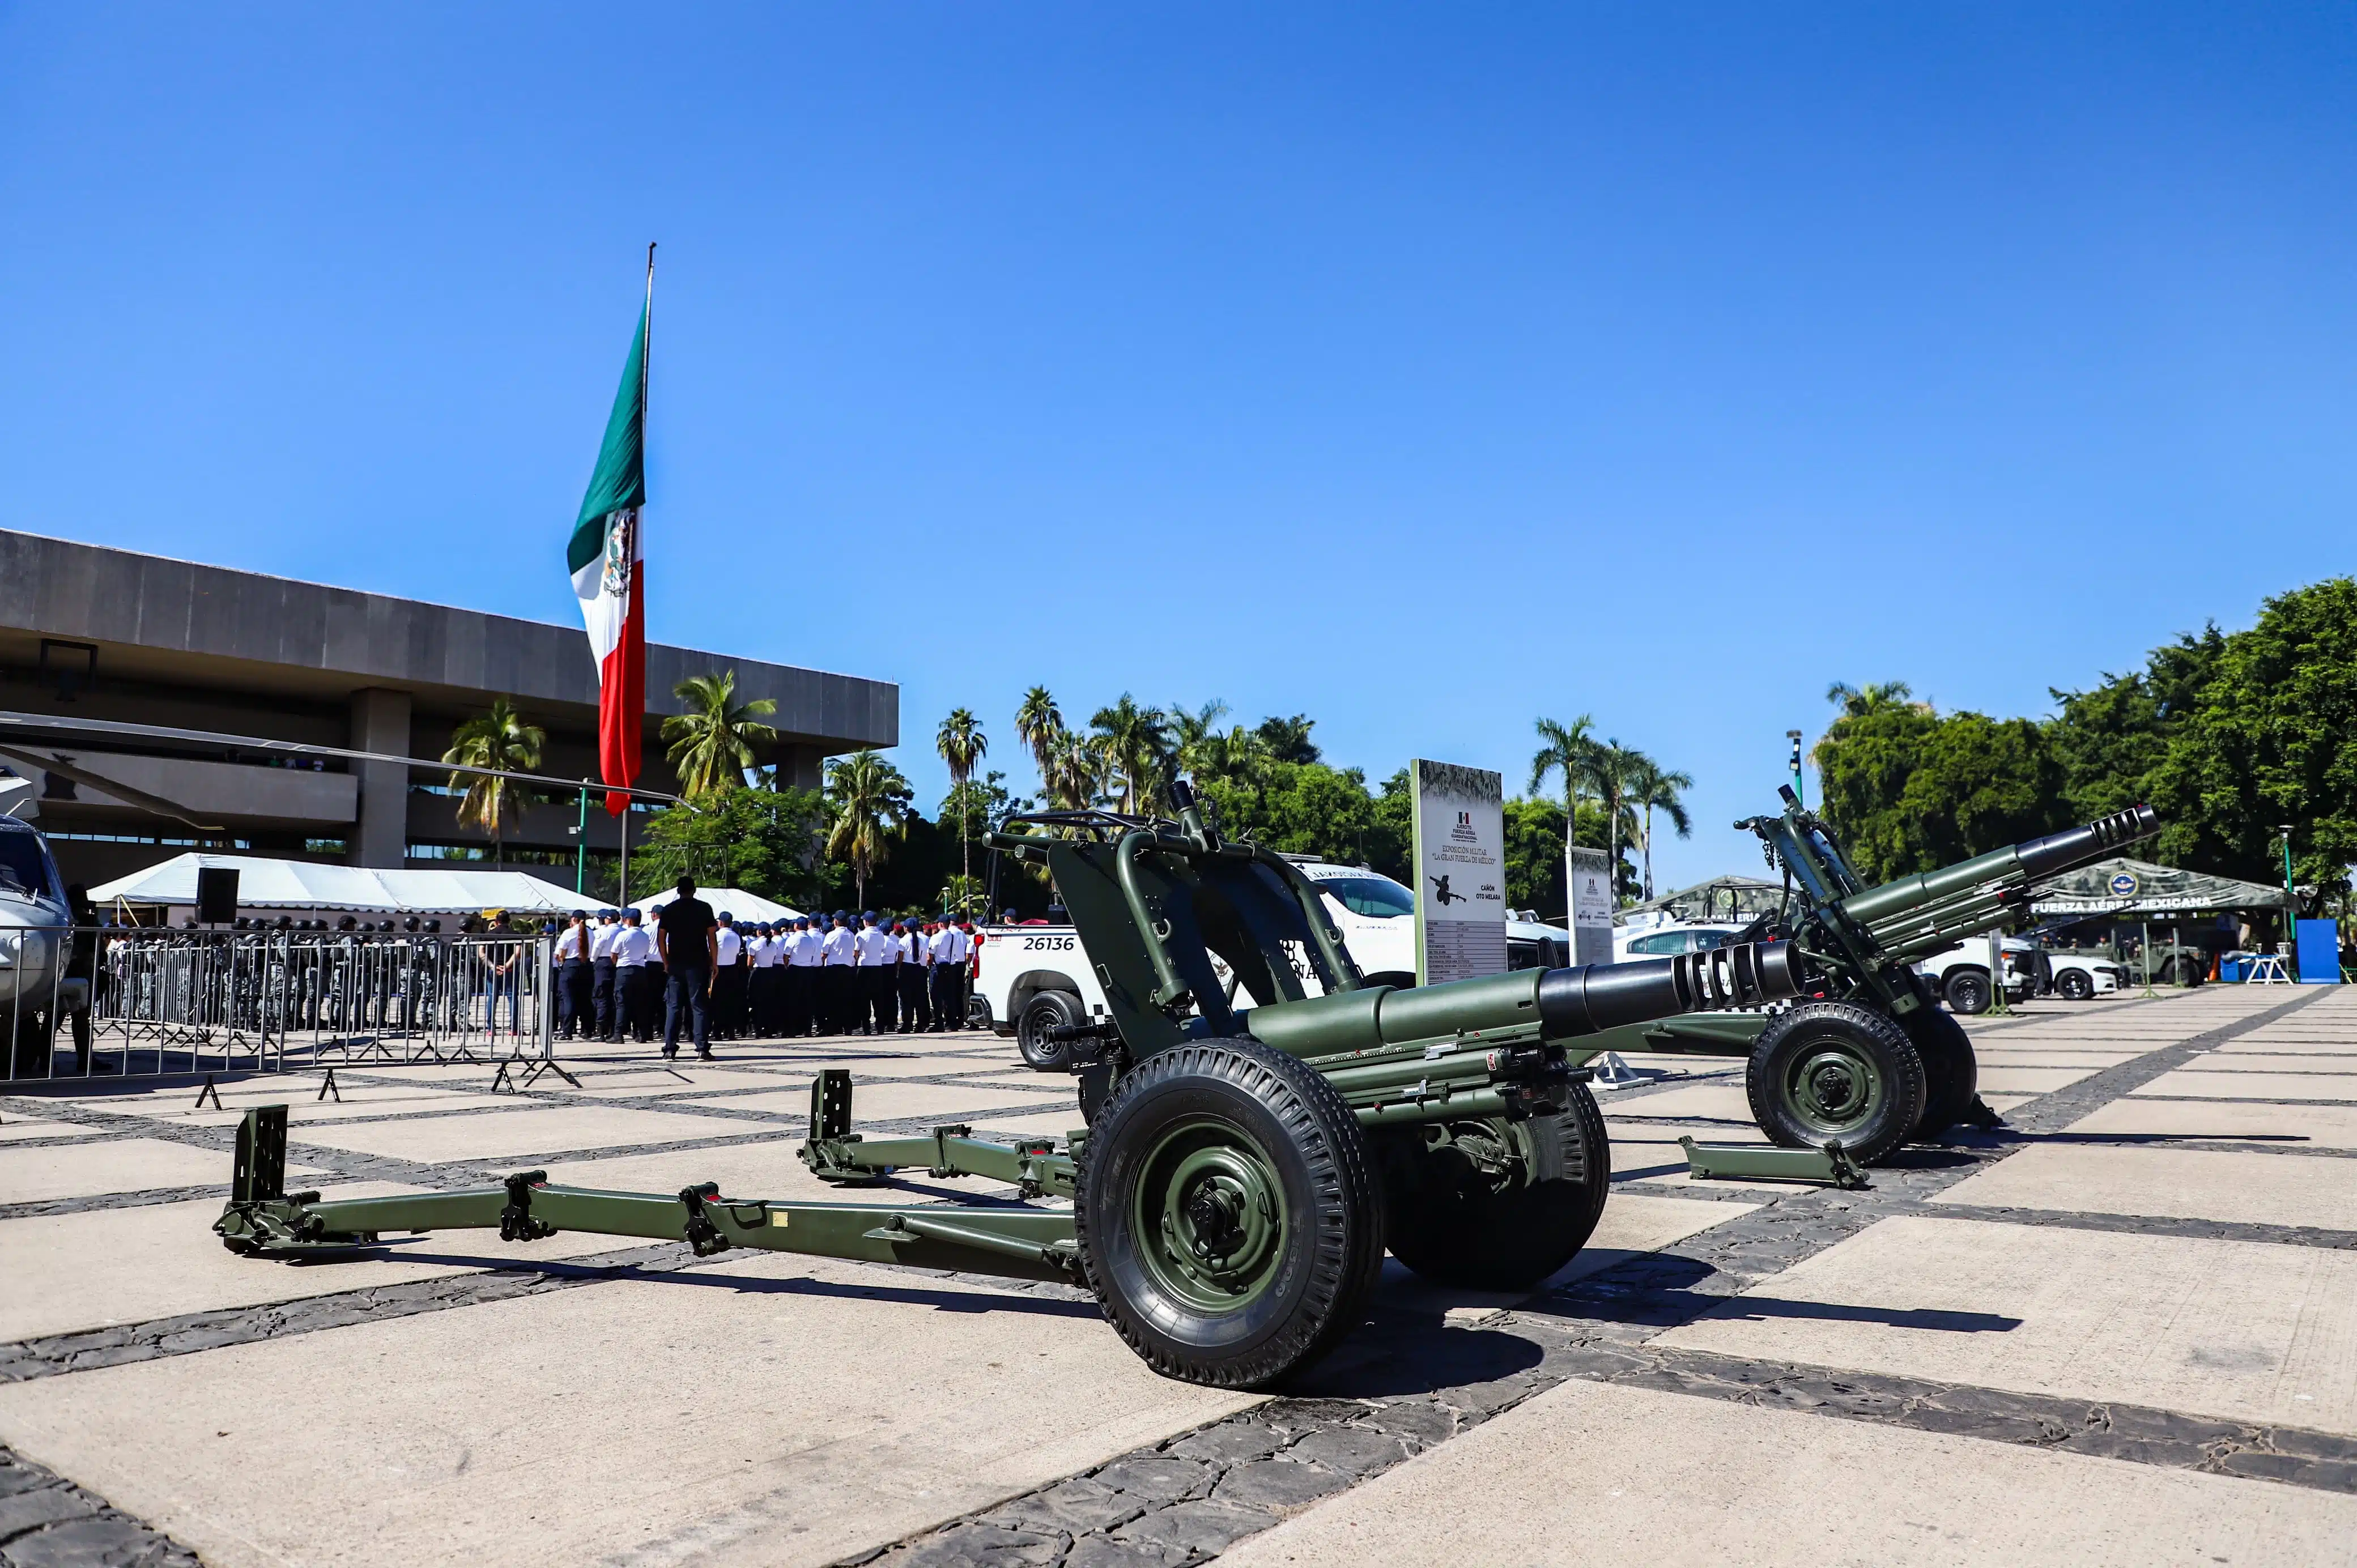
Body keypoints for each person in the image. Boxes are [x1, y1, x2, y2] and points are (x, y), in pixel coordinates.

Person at [657, 877, 718, 1060]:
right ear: (694, 890)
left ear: (678, 890)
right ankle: (702, 1048)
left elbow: (661, 939)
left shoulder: (669, 910)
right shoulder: (704, 908)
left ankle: (669, 1049)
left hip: (676, 963)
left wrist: (666, 961)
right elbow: (712, 938)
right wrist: (714, 962)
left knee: (674, 1006)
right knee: (699, 1006)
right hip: (698, 963)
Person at [611, 909, 655, 1044]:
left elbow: (614, 954)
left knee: (622, 1003)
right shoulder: (645, 935)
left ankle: (619, 1034)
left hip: (624, 969)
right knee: (640, 1004)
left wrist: (617, 963)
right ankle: (640, 1033)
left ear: (629, 920)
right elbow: (646, 952)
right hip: (640, 970)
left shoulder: (623, 935)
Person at [854, 911, 894, 1036]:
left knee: (864, 999)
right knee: (878, 999)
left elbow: (856, 952)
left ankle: (866, 1027)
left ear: (866, 922)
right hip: (877, 967)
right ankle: (880, 1026)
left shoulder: (861, 935)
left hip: (864, 967)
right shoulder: (881, 935)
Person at [820, 910, 856, 1035]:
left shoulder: (831, 935)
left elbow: (824, 953)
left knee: (832, 1000)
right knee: (846, 1000)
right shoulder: (851, 935)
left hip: (833, 969)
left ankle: (832, 1026)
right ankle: (847, 1027)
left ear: (836, 921)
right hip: (847, 969)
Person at [555, 913, 590, 1041]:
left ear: (574, 919)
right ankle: (588, 1029)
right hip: (586, 965)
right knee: (585, 1000)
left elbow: (561, 952)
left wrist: (561, 960)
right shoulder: (591, 933)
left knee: (568, 999)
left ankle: (567, 1030)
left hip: (571, 965)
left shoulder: (568, 933)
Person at [709, 913, 744, 1041]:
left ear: (720, 922)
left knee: (717, 1002)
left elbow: (711, 951)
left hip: (719, 969)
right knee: (730, 1002)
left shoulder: (717, 935)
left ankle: (718, 1031)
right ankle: (730, 1031)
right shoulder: (736, 936)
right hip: (732, 969)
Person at [928, 915, 965, 1032]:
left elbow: (930, 955)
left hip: (938, 967)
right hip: (951, 967)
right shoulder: (954, 936)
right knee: (950, 996)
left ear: (940, 924)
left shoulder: (936, 937)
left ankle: (939, 1022)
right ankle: (952, 1022)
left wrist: (929, 966)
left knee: (936, 996)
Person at [784, 915, 820, 1036]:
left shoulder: (793, 939)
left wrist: (787, 966)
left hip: (795, 970)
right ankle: (807, 1029)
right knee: (807, 1001)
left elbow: (786, 956)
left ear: (797, 926)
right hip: (808, 970)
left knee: (793, 1001)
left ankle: (793, 1029)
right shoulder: (810, 939)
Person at [749, 921, 784, 1037]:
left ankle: (758, 1028)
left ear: (759, 932)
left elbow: (749, 963)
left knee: (757, 1002)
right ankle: (769, 1028)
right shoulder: (773, 944)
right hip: (770, 972)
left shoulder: (755, 944)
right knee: (769, 1002)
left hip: (758, 973)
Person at [590, 909, 620, 1040]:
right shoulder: (623, 931)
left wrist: (593, 961)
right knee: (615, 998)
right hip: (618, 964)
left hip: (603, 962)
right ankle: (614, 1029)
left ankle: (601, 1031)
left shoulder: (604, 932)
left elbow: (596, 949)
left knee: (602, 996)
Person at [899, 919, 931, 1033]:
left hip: (907, 969)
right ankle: (921, 1024)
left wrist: (898, 970)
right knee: (920, 998)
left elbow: (900, 958)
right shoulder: (926, 939)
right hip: (921, 969)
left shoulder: (903, 940)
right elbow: (928, 956)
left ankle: (907, 1024)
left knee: (906, 999)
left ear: (906, 928)